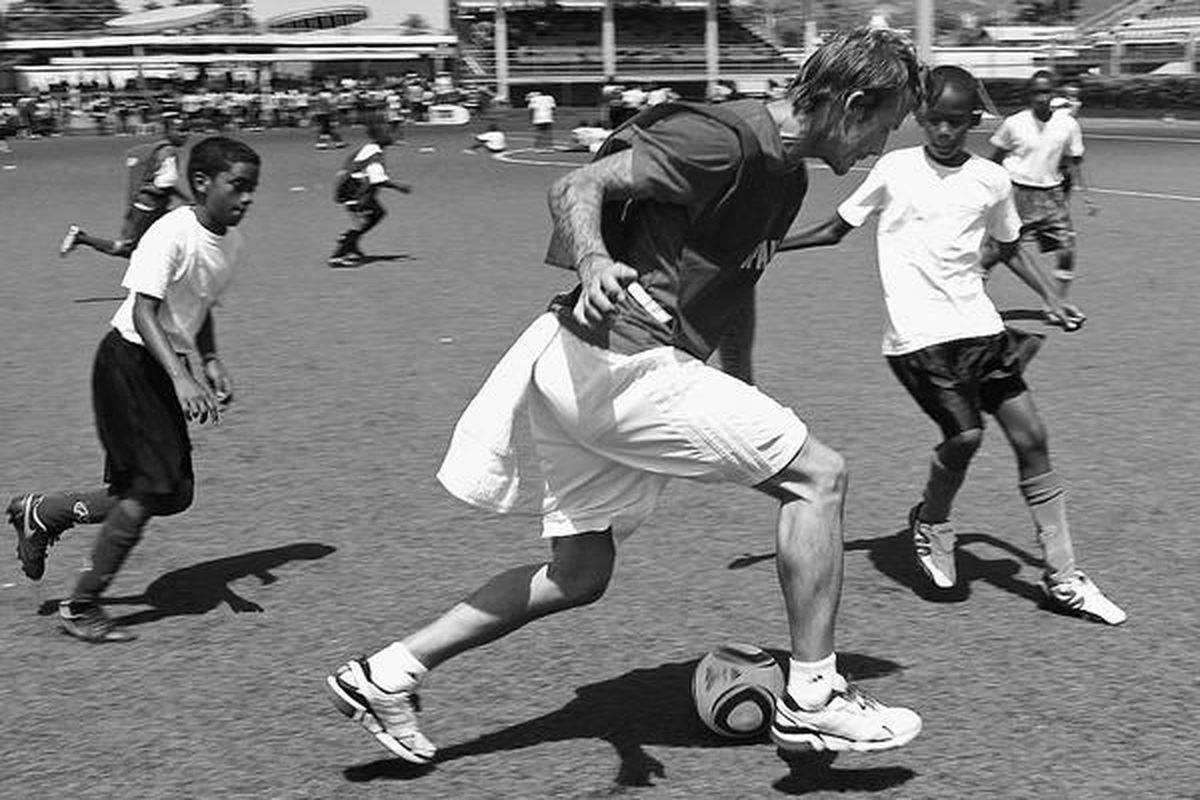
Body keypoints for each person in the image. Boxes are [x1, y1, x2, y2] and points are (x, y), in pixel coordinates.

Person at [325, 26, 925, 765]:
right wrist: (596, 258)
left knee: (577, 577)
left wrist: (738, 377)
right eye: (885, 126)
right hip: (625, 364)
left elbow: (736, 284)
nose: (878, 147)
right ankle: (815, 697)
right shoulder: (726, 141)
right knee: (820, 478)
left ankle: (386, 673)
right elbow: (575, 185)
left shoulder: (786, 177)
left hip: (586, 368)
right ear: (854, 103)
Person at [776, 65, 1126, 625]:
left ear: (973, 122)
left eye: (956, 123)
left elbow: (1009, 247)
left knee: (1033, 438)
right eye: (935, 121)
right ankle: (932, 522)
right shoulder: (894, 168)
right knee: (964, 436)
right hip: (919, 337)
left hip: (980, 328)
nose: (944, 132)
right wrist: (770, 246)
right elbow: (836, 228)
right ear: (920, 117)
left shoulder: (991, 179)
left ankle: (1063, 575)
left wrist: (1052, 300)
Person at [7, 136, 262, 643]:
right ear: (202, 183)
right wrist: (181, 376)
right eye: (238, 186)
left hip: (158, 367)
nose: (247, 198)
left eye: (253, 189)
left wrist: (209, 360)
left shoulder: (231, 244)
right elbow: (144, 311)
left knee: (172, 493)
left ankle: (44, 512)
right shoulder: (171, 232)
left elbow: (200, 306)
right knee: (152, 489)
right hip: (127, 362)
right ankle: (81, 604)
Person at [985, 70, 1093, 300]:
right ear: (1029, 95)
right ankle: (971, 298)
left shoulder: (1068, 125)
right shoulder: (1014, 124)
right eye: (1035, 92)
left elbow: (1074, 161)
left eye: (1045, 92)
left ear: (1053, 94)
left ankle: (1058, 303)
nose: (1040, 97)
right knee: (995, 251)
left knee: (1067, 249)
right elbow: (994, 158)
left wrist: (1085, 195)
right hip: (1017, 194)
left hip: (1051, 196)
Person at [60, 114, 190, 260]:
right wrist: (187, 200)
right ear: (168, 131)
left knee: (175, 234)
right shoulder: (168, 152)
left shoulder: (159, 149)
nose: (185, 134)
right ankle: (81, 237)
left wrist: (186, 200)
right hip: (148, 210)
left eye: (186, 130)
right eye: (180, 130)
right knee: (127, 249)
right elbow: (165, 184)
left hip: (151, 207)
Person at [329, 120, 412, 268]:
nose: (393, 135)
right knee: (360, 222)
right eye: (390, 133)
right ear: (380, 136)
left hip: (352, 186)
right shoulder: (375, 155)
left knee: (378, 213)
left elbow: (351, 164)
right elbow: (377, 179)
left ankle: (350, 243)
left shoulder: (369, 148)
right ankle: (338, 255)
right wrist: (400, 187)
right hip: (354, 190)